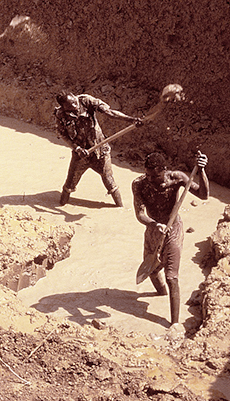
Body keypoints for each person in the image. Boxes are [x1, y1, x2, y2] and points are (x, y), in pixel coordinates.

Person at [131, 150, 209, 326]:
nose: (151, 179)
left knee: (171, 277)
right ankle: (162, 295)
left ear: (164, 170)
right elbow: (140, 214)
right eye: (148, 175)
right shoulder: (139, 184)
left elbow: (204, 195)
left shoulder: (177, 178)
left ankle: (174, 324)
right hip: (153, 229)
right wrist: (154, 225)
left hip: (173, 228)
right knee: (152, 271)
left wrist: (201, 171)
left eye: (155, 176)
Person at [54, 91, 144, 207]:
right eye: (69, 106)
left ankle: (120, 208)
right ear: (63, 107)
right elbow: (63, 134)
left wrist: (131, 120)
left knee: (109, 181)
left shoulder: (86, 101)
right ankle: (62, 204)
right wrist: (77, 148)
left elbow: (110, 112)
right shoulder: (60, 114)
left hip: (100, 150)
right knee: (69, 184)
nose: (74, 106)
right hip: (80, 155)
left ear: (73, 96)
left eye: (74, 102)